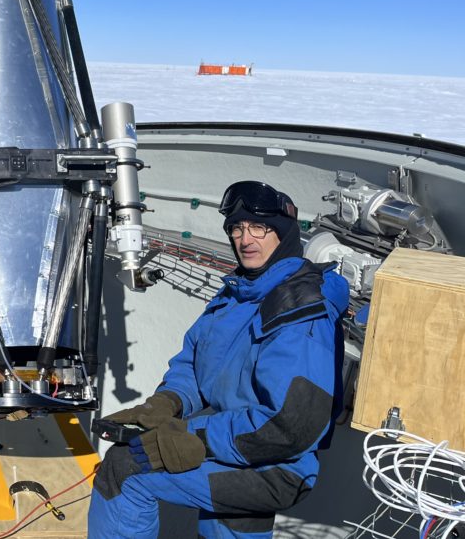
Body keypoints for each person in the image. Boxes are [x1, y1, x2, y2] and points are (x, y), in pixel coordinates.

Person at [88, 180, 349, 539]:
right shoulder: (238, 293)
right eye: (237, 228)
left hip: (276, 464)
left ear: (284, 235)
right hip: (238, 443)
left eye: (259, 228)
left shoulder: (299, 308)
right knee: (222, 524)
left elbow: (291, 426)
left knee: (125, 468)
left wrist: (195, 437)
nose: (246, 239)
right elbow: (196, 363)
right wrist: (168, 403)